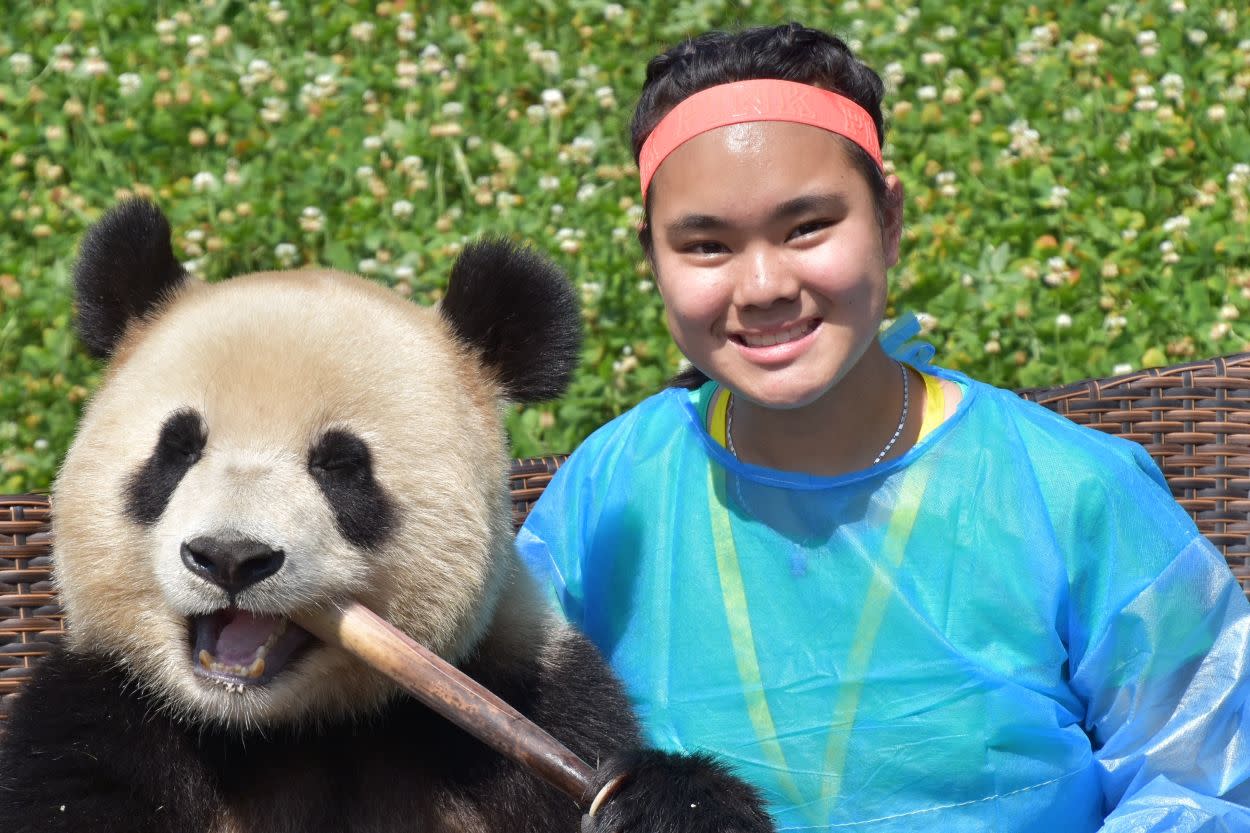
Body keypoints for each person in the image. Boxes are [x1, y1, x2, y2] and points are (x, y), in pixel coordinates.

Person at [517, 22, 1250, 832]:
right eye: (706, 245)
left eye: (806, 228)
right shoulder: (612, 490)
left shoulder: (1075, 494)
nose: (762, 284)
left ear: (890, 218)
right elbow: (495, 732)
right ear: (651, 258)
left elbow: (1210, 780)